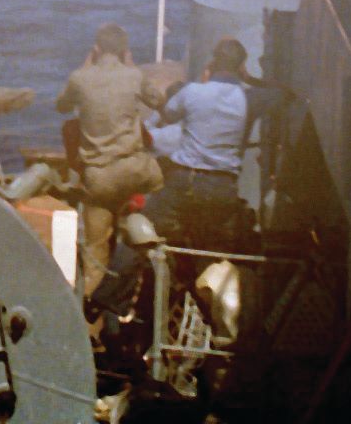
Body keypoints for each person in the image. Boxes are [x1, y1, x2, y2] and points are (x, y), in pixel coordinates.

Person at [88, 36, 278, 321]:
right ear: (240, 67)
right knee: (216, 254)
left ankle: (110, 299)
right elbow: (286, 95)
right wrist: (251, 79)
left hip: (182, 184)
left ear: (212, 63)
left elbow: (168, 112)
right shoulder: (250, 98)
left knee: (139, 230)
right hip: (221, 189)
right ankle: (225, 324)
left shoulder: (192, 93)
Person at [56, 23, 163, 296]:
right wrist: (133, 68)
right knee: (161, 208)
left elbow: (62, 106)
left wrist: (84, 67)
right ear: (125, 50)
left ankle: (88, 306)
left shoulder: (80, 78)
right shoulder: (134, 75)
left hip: (100, 178)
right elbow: (159, 100)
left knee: (95, 251)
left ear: (96, 49)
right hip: (138, 172)